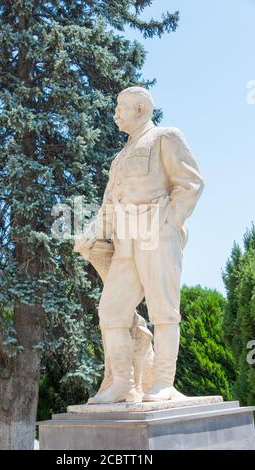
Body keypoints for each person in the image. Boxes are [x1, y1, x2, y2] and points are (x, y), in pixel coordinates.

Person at [80, 86, 204, 403]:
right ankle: (123, 384)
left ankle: (164, 383)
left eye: (121, 107)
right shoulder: (119, 158)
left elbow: (190, 183)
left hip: (157, 229)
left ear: (139, 108)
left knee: (163, 309)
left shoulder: (165, 137)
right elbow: (109, 203)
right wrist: (93, 232)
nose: (115, 113)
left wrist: (170, 224)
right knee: (111, 311)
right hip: (125, 240)